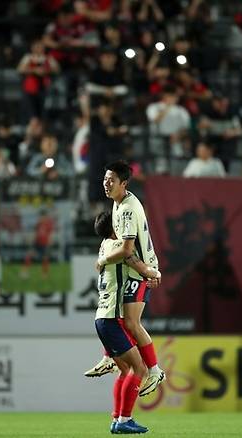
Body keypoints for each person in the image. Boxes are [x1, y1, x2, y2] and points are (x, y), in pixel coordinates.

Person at [85, 160, 165, 397]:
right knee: (118, 317)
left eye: (111, 181)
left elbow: (127, 250)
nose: (106, 184)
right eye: (105, 180)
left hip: (138, 270)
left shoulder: (128, 209)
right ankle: (109, 357)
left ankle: (155, 370)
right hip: (135, 269)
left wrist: (103, 260)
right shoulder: (118, 204)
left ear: (124, 183)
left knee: (130, 322)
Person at [92, 210, 161, 434]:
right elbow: (139, 265)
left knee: (125, 371)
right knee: (139, 367)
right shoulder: (119, 248)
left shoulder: (104, 247)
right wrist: (154, 274)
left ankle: (117, 418)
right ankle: (124, 420)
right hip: (112, 320)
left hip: (101, 318)